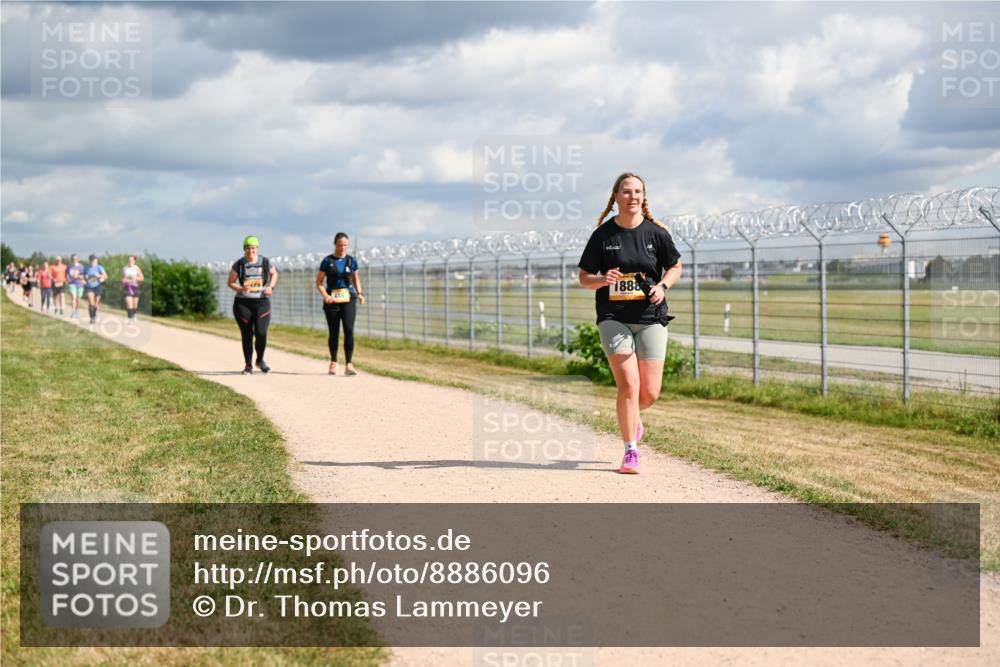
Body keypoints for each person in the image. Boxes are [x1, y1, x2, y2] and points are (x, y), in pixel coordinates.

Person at [577, 173, 683, 474]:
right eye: (626, 191)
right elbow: (584, 277)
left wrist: (662, 286)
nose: (632, 196)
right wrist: (601, 279)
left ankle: (632, 418)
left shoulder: (656, 233)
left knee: (649, 393)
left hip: (650, 317)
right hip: (614, 318)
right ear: (616, 197)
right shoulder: (603, 236)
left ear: (644, 196)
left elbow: (675, 266)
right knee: (628, 385)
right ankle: (630, 451)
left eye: (637, 191)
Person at [316, 232, 366, 375]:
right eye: (340, 245)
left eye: (345, 245)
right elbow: (319, 282)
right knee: (334, 332)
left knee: (349, 330)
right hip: (332, 301)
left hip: (349, 299)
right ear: (335, 244)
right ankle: (333, 362)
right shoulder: (327, 261)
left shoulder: (351, 261)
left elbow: (356, 279)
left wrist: (360, 293)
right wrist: (325, 295)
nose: (343, 248)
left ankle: (349, 364)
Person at [228, 235, 278, 374]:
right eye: (248, 248)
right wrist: (240, 288)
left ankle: (260, 360)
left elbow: (274, 274)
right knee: (247, 334)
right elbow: (230, 282)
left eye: (253, 248)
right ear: (244, 249)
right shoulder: (239, 264)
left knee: (261, 332)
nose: (251, 251)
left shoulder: (265, 262)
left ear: (257, 248)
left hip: (262, 302)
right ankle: (248, 365)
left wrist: (270, 287)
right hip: (243, 304)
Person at [84, 254, 108, 324]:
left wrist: (98, 275)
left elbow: (106, 276)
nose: (94, 262)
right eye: (93, 260)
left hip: (97, 286)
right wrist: (86, 277)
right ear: (90, 261)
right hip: (89, 286)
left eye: (95, 260)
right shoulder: (87, 268)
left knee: (96, 304)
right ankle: (92, 317)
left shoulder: (99, 267)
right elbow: (84, 276)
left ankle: (94, 315)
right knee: (91, 303)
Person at [121, 255, 145, 323]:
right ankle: (130, 318)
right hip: (127, 287)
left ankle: (134, 314)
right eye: (129, 260)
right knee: (129, 303)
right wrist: (124, 280)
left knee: (135, 304)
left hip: (135, 287)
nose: (130, 261)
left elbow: (142, 278)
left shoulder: (136, 268)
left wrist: (134, 277)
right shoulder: (124, 268)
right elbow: (122, 278)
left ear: (134, 261)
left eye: (131, 260)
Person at [66, 254, 86, 318]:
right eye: (73, 259)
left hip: (79, 284)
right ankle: (73, 312)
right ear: (71, 259)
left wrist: (78, 276)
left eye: (75, 259)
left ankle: (76, 312)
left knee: (78, 299)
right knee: (73, 298)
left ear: (78, 259)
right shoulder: (69, 266)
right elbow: (67, 274)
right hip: (72, 283)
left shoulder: (81, 266)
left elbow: (83, 276)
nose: (74, 260)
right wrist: (68, 279)